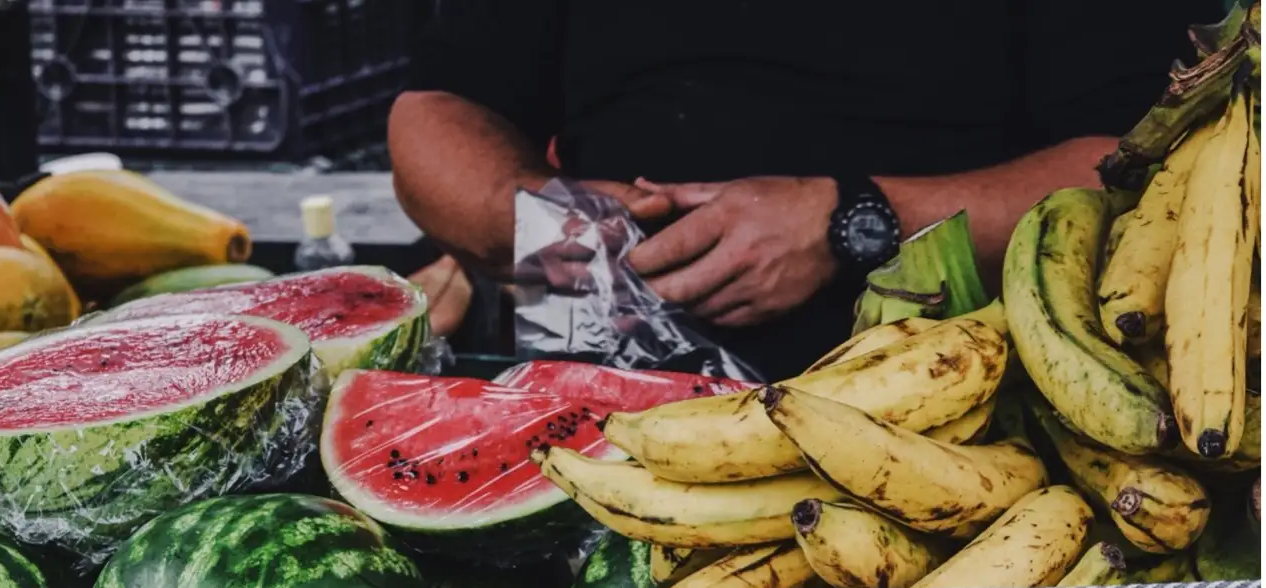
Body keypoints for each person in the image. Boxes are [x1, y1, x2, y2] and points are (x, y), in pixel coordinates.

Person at [389, 0, 1219, 378]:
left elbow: (1142, 159)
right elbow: (436, 111)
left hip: (956, 403)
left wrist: (857, 221)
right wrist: (545, 224)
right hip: (603, 404)